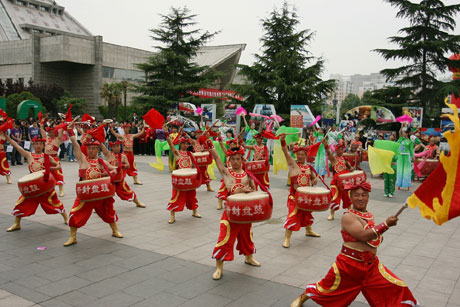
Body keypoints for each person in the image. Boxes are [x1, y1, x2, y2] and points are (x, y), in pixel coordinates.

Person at [290, 181, 417, 307]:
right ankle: (303, 296)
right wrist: (386, 225)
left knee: (396, 286)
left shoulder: (368, 215)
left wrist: (379, 235)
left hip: (371, 266)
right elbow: (363, 235)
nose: (360, 198)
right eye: (356, 195)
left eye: (364, 195)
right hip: (348, 266)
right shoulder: (348, 216)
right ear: (350, 197)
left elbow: (372, 237)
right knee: (325, 289)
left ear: (368, 197)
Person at [207, 139, 261, 280]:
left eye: (238, 159)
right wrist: (210, 144)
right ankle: (219, 267)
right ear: (229, 160)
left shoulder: (248, 175)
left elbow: (255, 193)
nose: (236, 162)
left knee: (247, 237)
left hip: (244, 214)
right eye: (233, 159)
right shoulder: (226, 173)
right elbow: (217, 159)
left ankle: (249, 257)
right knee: (224, 239)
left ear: (242, 160)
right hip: (230, 214)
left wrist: (249, 191)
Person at [64, 123, 122, 246]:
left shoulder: (102, 162)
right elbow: (75, 144)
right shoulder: (83, 160)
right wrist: (70, 132)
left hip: (101, 193)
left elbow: (115, 169)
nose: (91, 150)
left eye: (93, 148)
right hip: (85, 193)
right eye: (89, 148)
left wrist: (114, 170)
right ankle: (73, 237)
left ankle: (115, 230)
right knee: (75, 213)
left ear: (97, 149)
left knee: (109, 212)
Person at [5, 135, 67, 232]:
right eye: (36, 144)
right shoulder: (29, 155)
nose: (38, 146)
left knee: (55, 203)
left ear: (43, 145)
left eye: (40, 144)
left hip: (45, 186)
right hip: (32, 186)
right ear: (33, 145)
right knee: (21, 203)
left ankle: (66, 218)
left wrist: (53, 168)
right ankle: (17, 224)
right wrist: (7, 137)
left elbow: (58, 165)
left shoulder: (47, 157)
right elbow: (17, 146)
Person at [279, 134, 320, 248]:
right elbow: (286, 152)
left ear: (306, 155)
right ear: (296, 155)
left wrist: (315, 180)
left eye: (302, 154)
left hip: (306, 196)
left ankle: (309, 230)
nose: (300, 156)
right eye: (298, 154)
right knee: (293, 216)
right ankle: (287, 238)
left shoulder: (309, 168)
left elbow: (313, 179)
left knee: (307, 214)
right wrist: (283, 141)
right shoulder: (293, 165)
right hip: (295, 196)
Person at [164, 125, 201, 224]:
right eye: (183, 143)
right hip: (180, 179)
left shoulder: (190, 154)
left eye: (186, 144)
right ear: (180, 144)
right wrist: (166, 133)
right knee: (176, 197)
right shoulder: (177, 154)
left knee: (192, 196)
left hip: (189, 179)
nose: (185, 145)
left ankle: (194, 212)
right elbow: (171, 144)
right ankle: (172, 216)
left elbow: (193, 166)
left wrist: (194, 168)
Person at [100, 141, 146, 208]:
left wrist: (121, 165)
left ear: (120, 146)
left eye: (117, 146)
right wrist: (98, 140)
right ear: (111, 147)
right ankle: (99, 207)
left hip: (119, 179)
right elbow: (102, 146)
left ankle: (137, 203)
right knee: (104, 193)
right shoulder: (108, 154)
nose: (116, 148)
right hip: (109, 179)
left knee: (128, 192)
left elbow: (128, 165)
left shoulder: (123, 156)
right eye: (114, 146)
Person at [323, 139, 354, 221]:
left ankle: (350, 213)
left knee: (347, 198)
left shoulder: (344, 159)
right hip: (336, 183)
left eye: (341, 149)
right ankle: (332, 214)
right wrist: (326, 146)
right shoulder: (334, 159)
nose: (340, 151)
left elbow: (350, 167)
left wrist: (351, 168)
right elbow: (329, 153)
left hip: (345, 182)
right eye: (338, 149)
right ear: (336, 150)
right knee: (334, 198)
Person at [41, 125, 65, 197]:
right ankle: (47, 190)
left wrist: (63, 123)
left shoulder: (58, 139)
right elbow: (42, 130)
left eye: (52, 132)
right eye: (50, 132)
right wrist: (42, 124)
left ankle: (61, 190)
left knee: (58, 175)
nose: (51, 133)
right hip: (46, 158)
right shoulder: (46, 138)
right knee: (45, 175)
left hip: (54, 158)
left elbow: (61, 131)